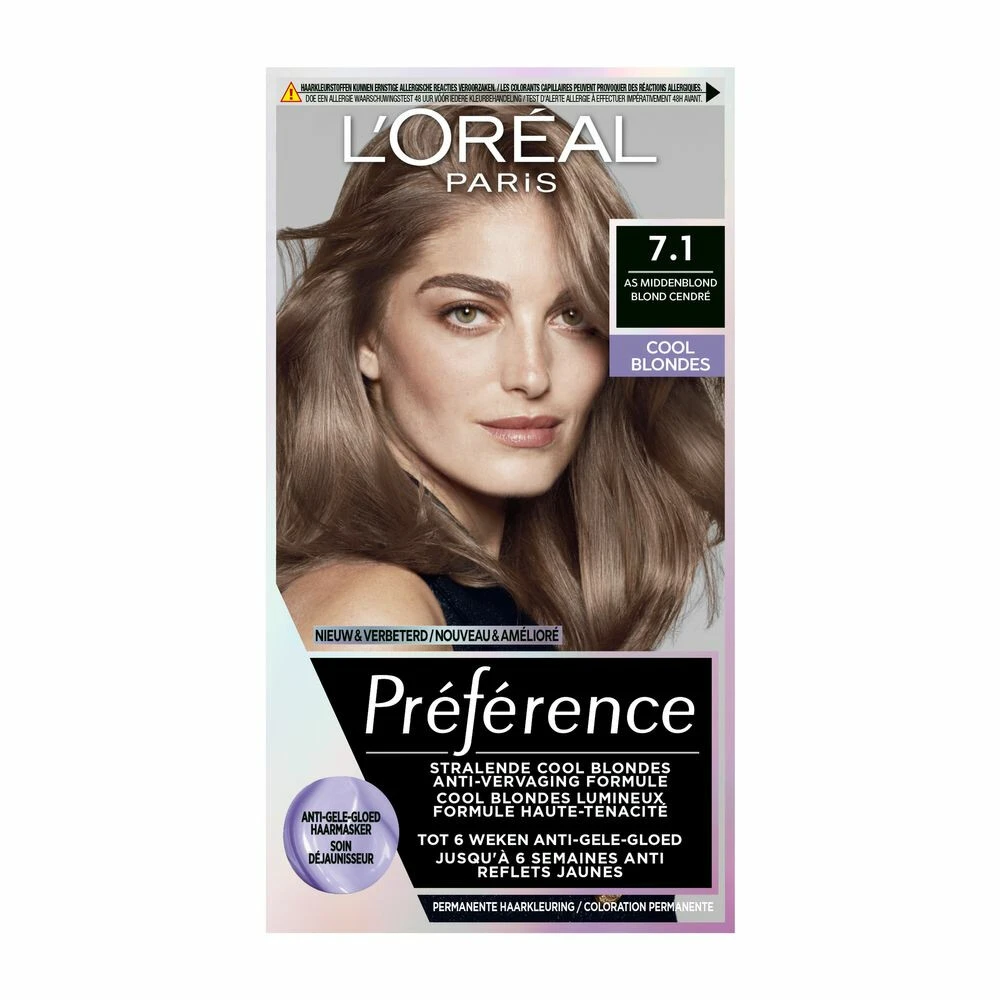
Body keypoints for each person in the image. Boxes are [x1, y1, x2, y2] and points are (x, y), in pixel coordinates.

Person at [277, 104, 723, 651]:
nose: (532, 375)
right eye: (467, 313)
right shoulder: (371, 614)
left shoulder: (495, 601)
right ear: (365, 337)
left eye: (573, 316)